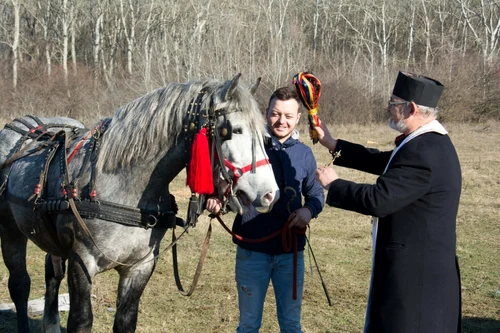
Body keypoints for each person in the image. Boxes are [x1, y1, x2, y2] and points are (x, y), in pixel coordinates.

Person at [314, 71, 462, 333]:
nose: (388, 108)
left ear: (412, 108)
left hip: (416, 280)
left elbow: (379, 199)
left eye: (394, 103)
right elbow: (384, 162)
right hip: (418, 270)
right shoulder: (425, 142)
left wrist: (334, 184)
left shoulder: (424, 151)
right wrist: (332, 143)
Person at [206, 86, 324, 333]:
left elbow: (315, 194)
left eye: (288, 116)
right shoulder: (246, 146)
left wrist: (309, 211)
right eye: (275, 114)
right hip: (252, 252)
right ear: (265, 113)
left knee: (291, 325)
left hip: (290, 252)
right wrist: (216, 198)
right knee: (248, 325)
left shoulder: (304, 154)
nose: (281, 121)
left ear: (298, 118)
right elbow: (225, 183)